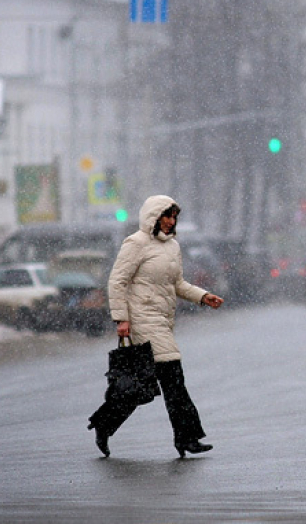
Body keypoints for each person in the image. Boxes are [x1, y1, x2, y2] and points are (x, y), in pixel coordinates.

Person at [88, 195, 224, 458]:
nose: (171, 222)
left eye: (174, 217)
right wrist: (122, 319)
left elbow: (178, 284)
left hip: (162, 320)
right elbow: (117, 282)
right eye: (167, 216)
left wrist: (202, 296)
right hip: (142, 321)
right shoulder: (135, 243)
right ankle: (187, 437)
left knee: (139, 388)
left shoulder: (172, 247)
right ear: (153, 217)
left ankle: (104, 424)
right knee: (174, 379)